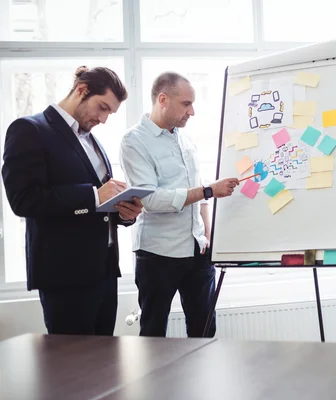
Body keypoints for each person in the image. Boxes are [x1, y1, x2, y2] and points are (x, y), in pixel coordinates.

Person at [2, 66, 143, 335]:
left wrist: (124, 212)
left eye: (110, 113)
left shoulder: (94, 142)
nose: (104, 119)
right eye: (102, 108)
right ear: (81, 90)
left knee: (104, 367)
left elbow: (99, 208)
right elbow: (24, 200)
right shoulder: (29, 129)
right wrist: (92, 195)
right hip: (64, 278)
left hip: (104, 273)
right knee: (70, 370)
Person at [119, 72, 239, 338]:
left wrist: (207, 233)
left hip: (197, 251)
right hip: (158, 254)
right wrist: (208, 190)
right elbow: (150, 199)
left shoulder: (185, 139)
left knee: (205, 328)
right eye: (186, 103)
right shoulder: (134, 141)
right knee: (153, 332)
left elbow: (200, 191)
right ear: (163, 99)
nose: (192, 111)